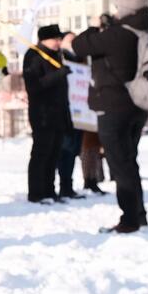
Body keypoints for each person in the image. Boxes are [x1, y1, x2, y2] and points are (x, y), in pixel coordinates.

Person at [73, 0, 148, 233]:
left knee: (120, 164)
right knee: (129, 161)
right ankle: (139, 214)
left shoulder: (118, 35)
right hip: (139, 106)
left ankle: (129, 219)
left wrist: (95, 26)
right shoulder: (147, 31)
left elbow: (80, 45)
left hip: (114, 107)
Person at [23, 25, 71, 204]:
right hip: (42, 113)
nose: (59, 42)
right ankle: (36, 192)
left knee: (54, 153)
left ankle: (49, 191)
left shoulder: (56, 55)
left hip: (58, 113)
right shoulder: (34, 55)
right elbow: (34, 85)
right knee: (41, 153)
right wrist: (58, 75)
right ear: (45, 39)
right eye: (56, 39)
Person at [55, 32, 84, 199]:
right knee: (64, 151)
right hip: (65, 113)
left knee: (73, 151)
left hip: (79, 113)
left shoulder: (80, 59)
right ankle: (62, 186)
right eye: (70, 40)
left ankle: (68, 186)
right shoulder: (60, 59)